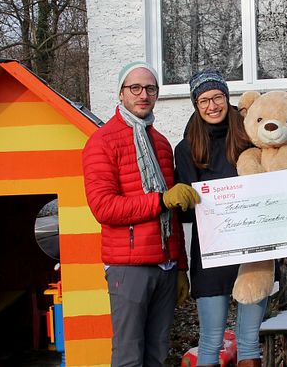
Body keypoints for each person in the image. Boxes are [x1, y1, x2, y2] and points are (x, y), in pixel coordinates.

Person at [81, 61, 200, 367]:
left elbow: (172, 215)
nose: (143, 94)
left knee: (157, 353)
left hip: (165, 265)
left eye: (150, 88)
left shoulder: (160, 143)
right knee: (129, 355)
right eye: (135, 88)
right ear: (121, 94)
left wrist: (181, 268)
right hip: (128, 268)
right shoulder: (102, 142)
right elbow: (103, 207)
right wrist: (159, 200)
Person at [174, 69, 267, 367]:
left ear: (227, 98)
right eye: (204, 100)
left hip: (253, 251)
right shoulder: (186, 148)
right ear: (195, 105)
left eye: (217, 97)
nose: (212, 105)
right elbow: (187, 210)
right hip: (211, 253)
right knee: (211, 340)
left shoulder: (251, 138)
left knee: (250, 340)